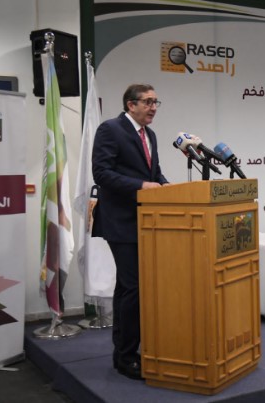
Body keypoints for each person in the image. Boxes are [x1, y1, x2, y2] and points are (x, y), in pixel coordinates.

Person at [91, 83, 169, 380]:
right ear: (130, 104)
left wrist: (168, 187)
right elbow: (102, 173)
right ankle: (126, 356)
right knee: (133, 287)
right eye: (148, 102)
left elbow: (154, 174)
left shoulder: (150, 135)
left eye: (156, 102)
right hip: (120, 222)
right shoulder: (111, 129)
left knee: (129, 287)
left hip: (145, 222)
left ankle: (124, 352)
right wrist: (141, 186)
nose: (153, 107)